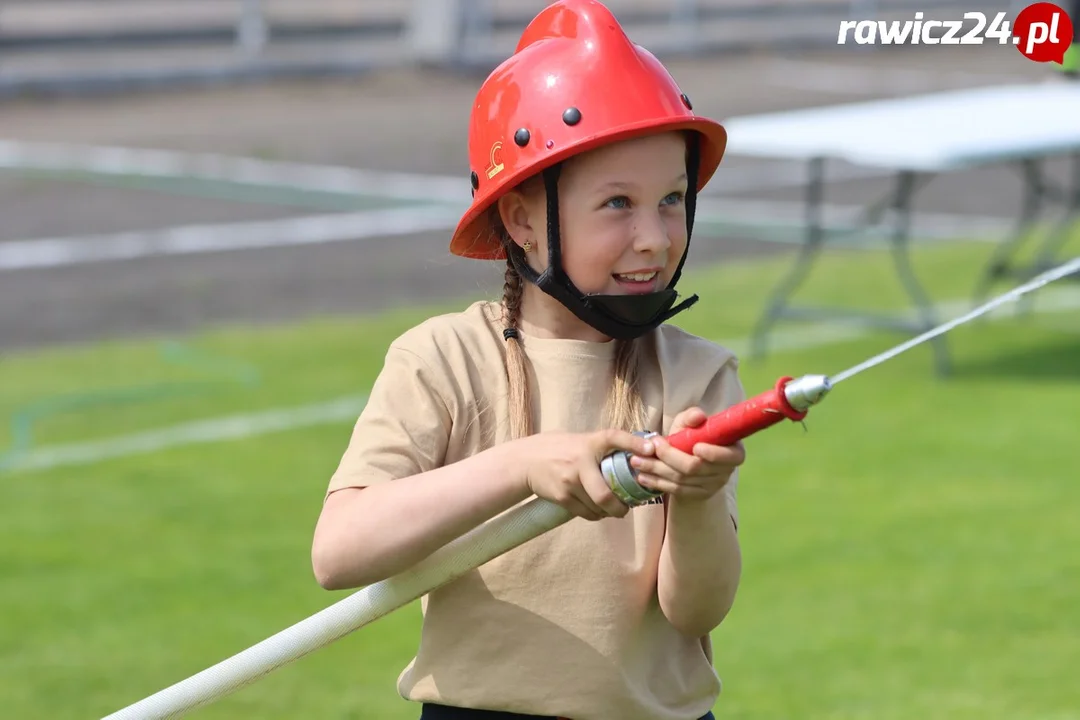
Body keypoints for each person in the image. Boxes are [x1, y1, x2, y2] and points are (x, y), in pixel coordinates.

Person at [311, 1, 747, 718]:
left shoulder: (699, 375)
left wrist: (695, 501)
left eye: (672, 199)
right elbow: (340, 552)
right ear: (521, 219)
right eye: (616, 203)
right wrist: (522, 464)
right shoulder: (442, 359)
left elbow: (697, 612)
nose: (652, 238)